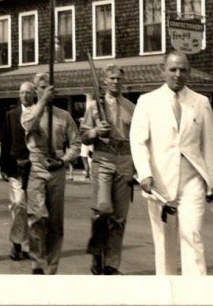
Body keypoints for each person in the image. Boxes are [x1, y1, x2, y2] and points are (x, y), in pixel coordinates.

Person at [129, 51, 213, 276]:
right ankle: (166, 291)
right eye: (173, 69)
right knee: (164, 241)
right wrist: (145, 173)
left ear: (188, 72)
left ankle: (195, 294)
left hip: (193, 180)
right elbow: (138, 140)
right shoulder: (147, 101)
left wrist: (212, 181)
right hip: (160, 182)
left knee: (193, 236)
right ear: (163, 71)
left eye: (183, 70)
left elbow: (209, 144)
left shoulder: (201, 102)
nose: (178, 74)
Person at [20, 72, 81, 275]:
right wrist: (42, 103)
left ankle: (51, 267)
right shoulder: (29, 112)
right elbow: (29, 126)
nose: (46, 91)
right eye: (41, 87)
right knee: (37, 216)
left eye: (49, 87)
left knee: (55, 221)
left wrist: (63, 160)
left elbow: (76, 145)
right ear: (35, 90)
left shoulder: (64, 116)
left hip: (57, 170)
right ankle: (37, 263)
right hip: (37, 167)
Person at [80, 64, 135, 275]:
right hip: (103, 158)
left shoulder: (131, 107)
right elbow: (83, 136)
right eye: (111, 78)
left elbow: (138, 138)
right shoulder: (94, 106)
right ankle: (97, 252)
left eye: (119, 78)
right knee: (103, 210)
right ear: (104, 81)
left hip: (125, 160)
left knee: (119, 217)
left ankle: (112, 265)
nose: (115, 82)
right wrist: (95, 131)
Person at [0, 81, 34, 262]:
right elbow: (5, 142)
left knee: (33, 208)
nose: (25, 96)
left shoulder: (41, 113)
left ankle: (29, 246)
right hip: (17, 167)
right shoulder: (11, 115)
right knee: (18, 205)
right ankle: (16, 243)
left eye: (28, 92)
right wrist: (4, 167)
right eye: (22, 93)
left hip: (36, 168)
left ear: (34, 94)